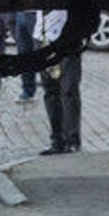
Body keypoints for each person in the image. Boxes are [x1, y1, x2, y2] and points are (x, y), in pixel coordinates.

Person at [37, 10, 80, 155]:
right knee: (50, 93)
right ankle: (57, 140)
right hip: (42, 37)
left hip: (66, 37)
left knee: (69, 91)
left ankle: (72, 140)